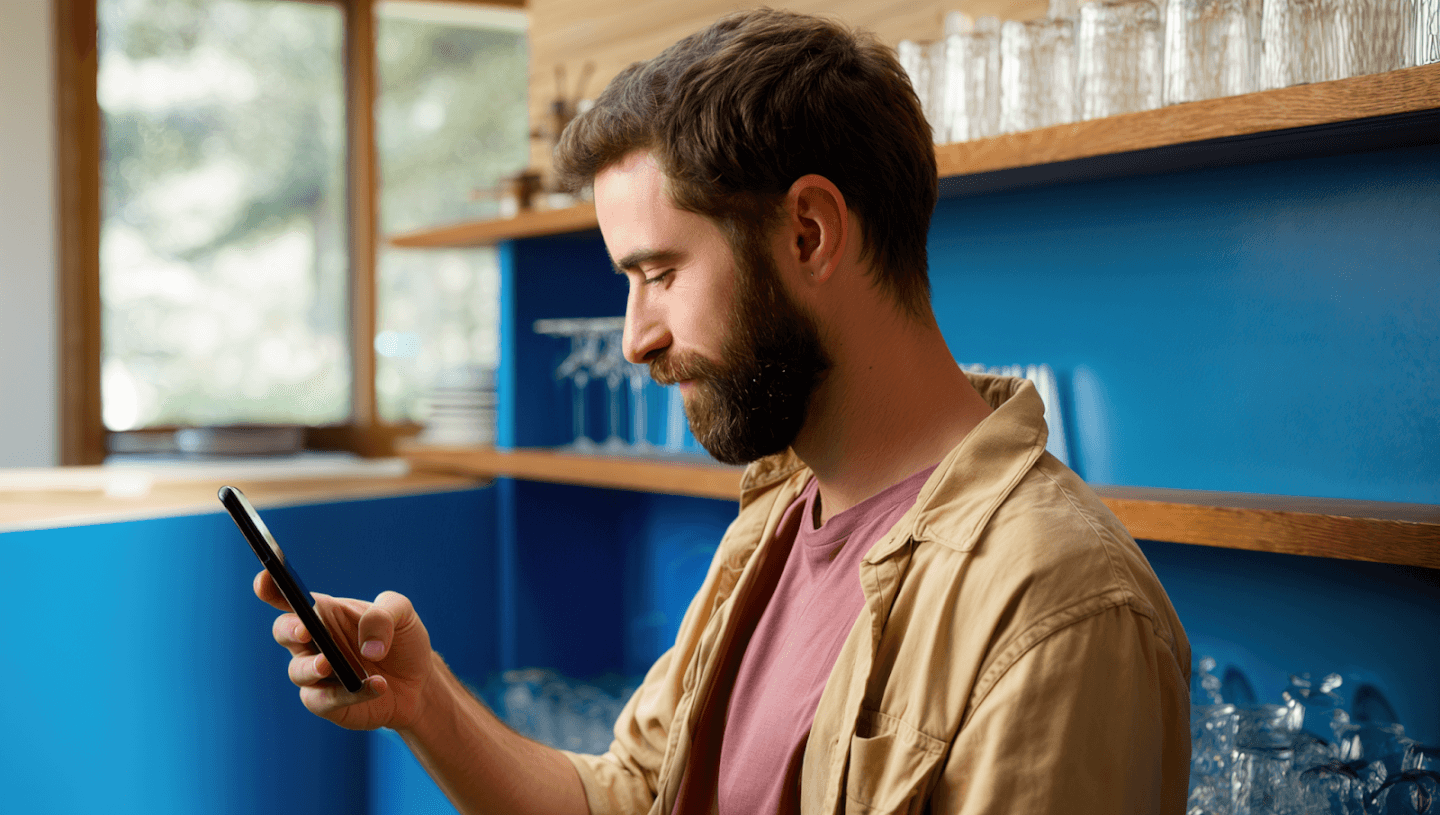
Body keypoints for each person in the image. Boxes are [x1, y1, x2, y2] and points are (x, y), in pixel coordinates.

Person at [255, 8, 1192, 814]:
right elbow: (628, 794)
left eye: (660, 274)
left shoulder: (1060, 606)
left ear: (809, 232)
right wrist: (425, 701)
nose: (635, 338)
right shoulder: (777, 523)